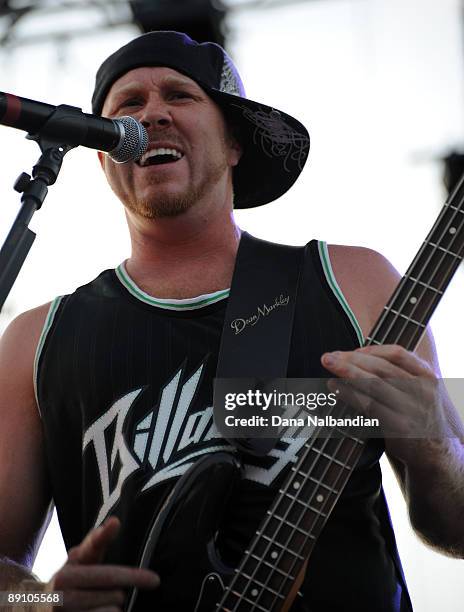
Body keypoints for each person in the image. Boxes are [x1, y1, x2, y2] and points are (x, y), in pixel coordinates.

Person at [0, 30, 463, 612]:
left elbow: (459, 527)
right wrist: (39, 605)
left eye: (180, 95)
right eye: (128, 107)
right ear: (104, 154)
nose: (153, 114)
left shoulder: (357, 282)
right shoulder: (35, 341)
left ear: (235, 144)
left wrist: (436, 444)